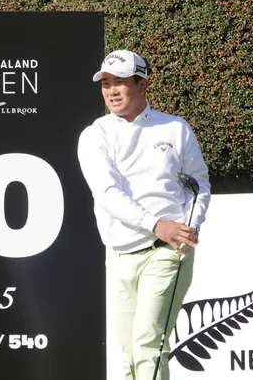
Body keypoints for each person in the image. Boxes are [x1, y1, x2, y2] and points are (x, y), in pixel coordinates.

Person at [77, 50, 210, 380]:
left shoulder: (175, 128)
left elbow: (199, 185)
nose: (112, 91)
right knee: (130, 356)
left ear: (143, 85)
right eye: (106, 83)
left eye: (120, 82)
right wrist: (155, 224)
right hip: (120, 254)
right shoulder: (95, 134)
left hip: (167, 252)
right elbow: (107, 194)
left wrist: (189, 226)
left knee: (148, 345)